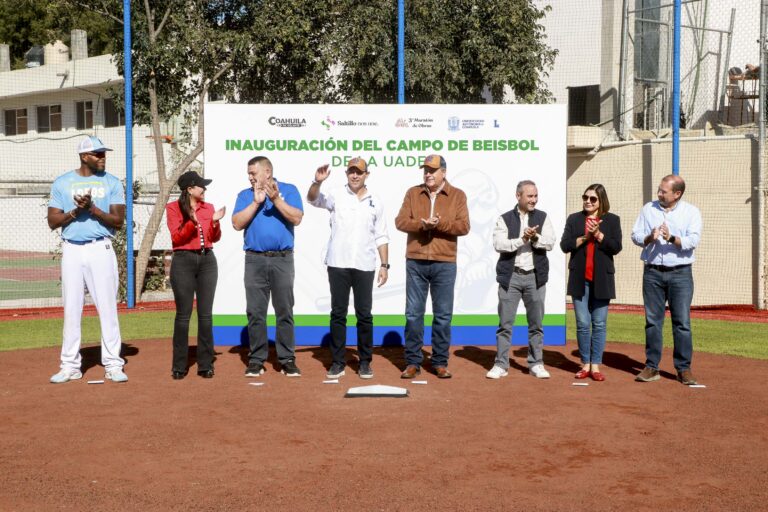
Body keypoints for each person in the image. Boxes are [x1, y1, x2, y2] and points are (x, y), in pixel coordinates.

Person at [47, 136, 127, 383]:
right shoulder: (63, 182)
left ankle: (113, 364)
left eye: (103, 153)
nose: (103, 157)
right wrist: (76, 211)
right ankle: (70, 365)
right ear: (84, 156)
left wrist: (92, 209)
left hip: (99, 248)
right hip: (71, 249)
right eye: (97, 154)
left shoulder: (112, 182)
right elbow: (53, 221)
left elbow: (118, 221)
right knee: (71, 309)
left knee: (107, 308)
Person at [307, 157, 390, 379]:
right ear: (346, 174)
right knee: (338, 314)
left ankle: (365, 362)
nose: (355, 175)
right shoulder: (335, 194)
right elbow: (313, 200)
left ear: (366, 175)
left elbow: (381, 235)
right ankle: (337, 362)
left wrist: (384, 265)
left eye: (359, 172)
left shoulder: (376, 201)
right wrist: (317, 182)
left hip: (365, 265)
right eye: (351, 172)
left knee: (364, 315)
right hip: (338, 264)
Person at [395, 154, 470, 379]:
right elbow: (400, 221)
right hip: (416, 261)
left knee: (443, 316)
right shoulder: (412, 192)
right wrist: (421, 224)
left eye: (432, 170)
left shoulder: (457, 195)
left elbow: (464, 226)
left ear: (444, 172)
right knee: (413, 315)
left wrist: (440, 224)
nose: (428, 173)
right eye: (425, 170)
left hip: (444, 262)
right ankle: (412, 362)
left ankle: (439, 362)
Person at [232, 156, 304, 377]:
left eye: (253, 173)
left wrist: (276, 200)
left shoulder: (289, 190)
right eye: (249, 173)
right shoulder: (245, 195)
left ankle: (287, 359)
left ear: (268, 172)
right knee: (256, 312)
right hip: (254, 260)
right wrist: (256, 202)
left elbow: (297, 217)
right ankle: (256, 359)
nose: (250, 177)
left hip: (282, 259)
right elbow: (236, 223)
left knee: (284, 310)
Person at [631, 174, 702, 385]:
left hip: (680, 273)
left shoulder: (691, 212)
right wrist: (648, 238)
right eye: (659, 190)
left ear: (677, 193)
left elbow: (693, 240)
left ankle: (683, 369)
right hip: (652, 272)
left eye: (664, 191)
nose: (659, 193)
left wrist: (671, 238)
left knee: (682, 323)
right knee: (653, 322)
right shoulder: (648, 209)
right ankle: (652, 367)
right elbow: (635, 235)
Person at [487, 180, 556, 380]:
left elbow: (550, 242)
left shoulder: (543, 217)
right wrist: (522, 239)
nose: (534, 199)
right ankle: (501, 364)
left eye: (535, 196)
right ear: (518, 196)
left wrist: (534, 238)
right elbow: (499, 244)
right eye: (530, 196)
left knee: (536, 324)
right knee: (505, 325)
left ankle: (536, 363)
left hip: (535, 276)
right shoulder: (504, 218)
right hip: (511, 276)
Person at [165, 171, 226, 380]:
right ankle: (179, 365)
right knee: (183, 316)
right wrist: (192, 219)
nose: (205, 189)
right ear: (190, 189)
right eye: (201, 186)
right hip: (183, 260)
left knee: (206, 315)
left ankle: (205, 364)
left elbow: (213, 238)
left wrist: (216, 222)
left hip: (207, 260)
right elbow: (177, 237)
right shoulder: (173, 208)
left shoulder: (207, 208)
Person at [560, 184, 622, 381]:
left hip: (602, 279)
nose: (587, 201)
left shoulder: (612, 220)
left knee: (599, 323)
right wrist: (586, 237)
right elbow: (565, 245)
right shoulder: (574, 219)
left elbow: (616, 247)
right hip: (580, 278)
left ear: (601, 200)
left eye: (592, 199)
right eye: (585, 197)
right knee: (582, 323)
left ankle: (595, 366)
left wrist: (598, 235)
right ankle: (585, 364)